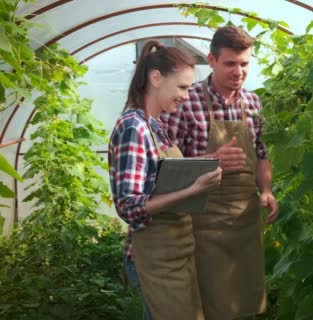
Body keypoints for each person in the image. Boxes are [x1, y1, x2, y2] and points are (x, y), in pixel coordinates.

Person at [160, 25, 279, 319]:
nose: (238, 71)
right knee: (208, 303)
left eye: (244, 64)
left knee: (244, 302)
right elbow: (166, 165)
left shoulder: (253, 103)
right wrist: (212, 159)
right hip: (203, 220)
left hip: (245, 220)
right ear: (211, 60)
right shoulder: (186, 102)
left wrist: (265, 190)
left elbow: (262, 155)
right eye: (230, 63)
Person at [108, 40, 222, 320]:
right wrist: (194, 189)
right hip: (155, 257)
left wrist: (207, 161)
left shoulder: (155, 127)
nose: (186, 95)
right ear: (156, 78)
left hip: (174, 253)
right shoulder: (134, 127)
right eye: (182, 87)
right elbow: (129, 206)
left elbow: (158, 173)